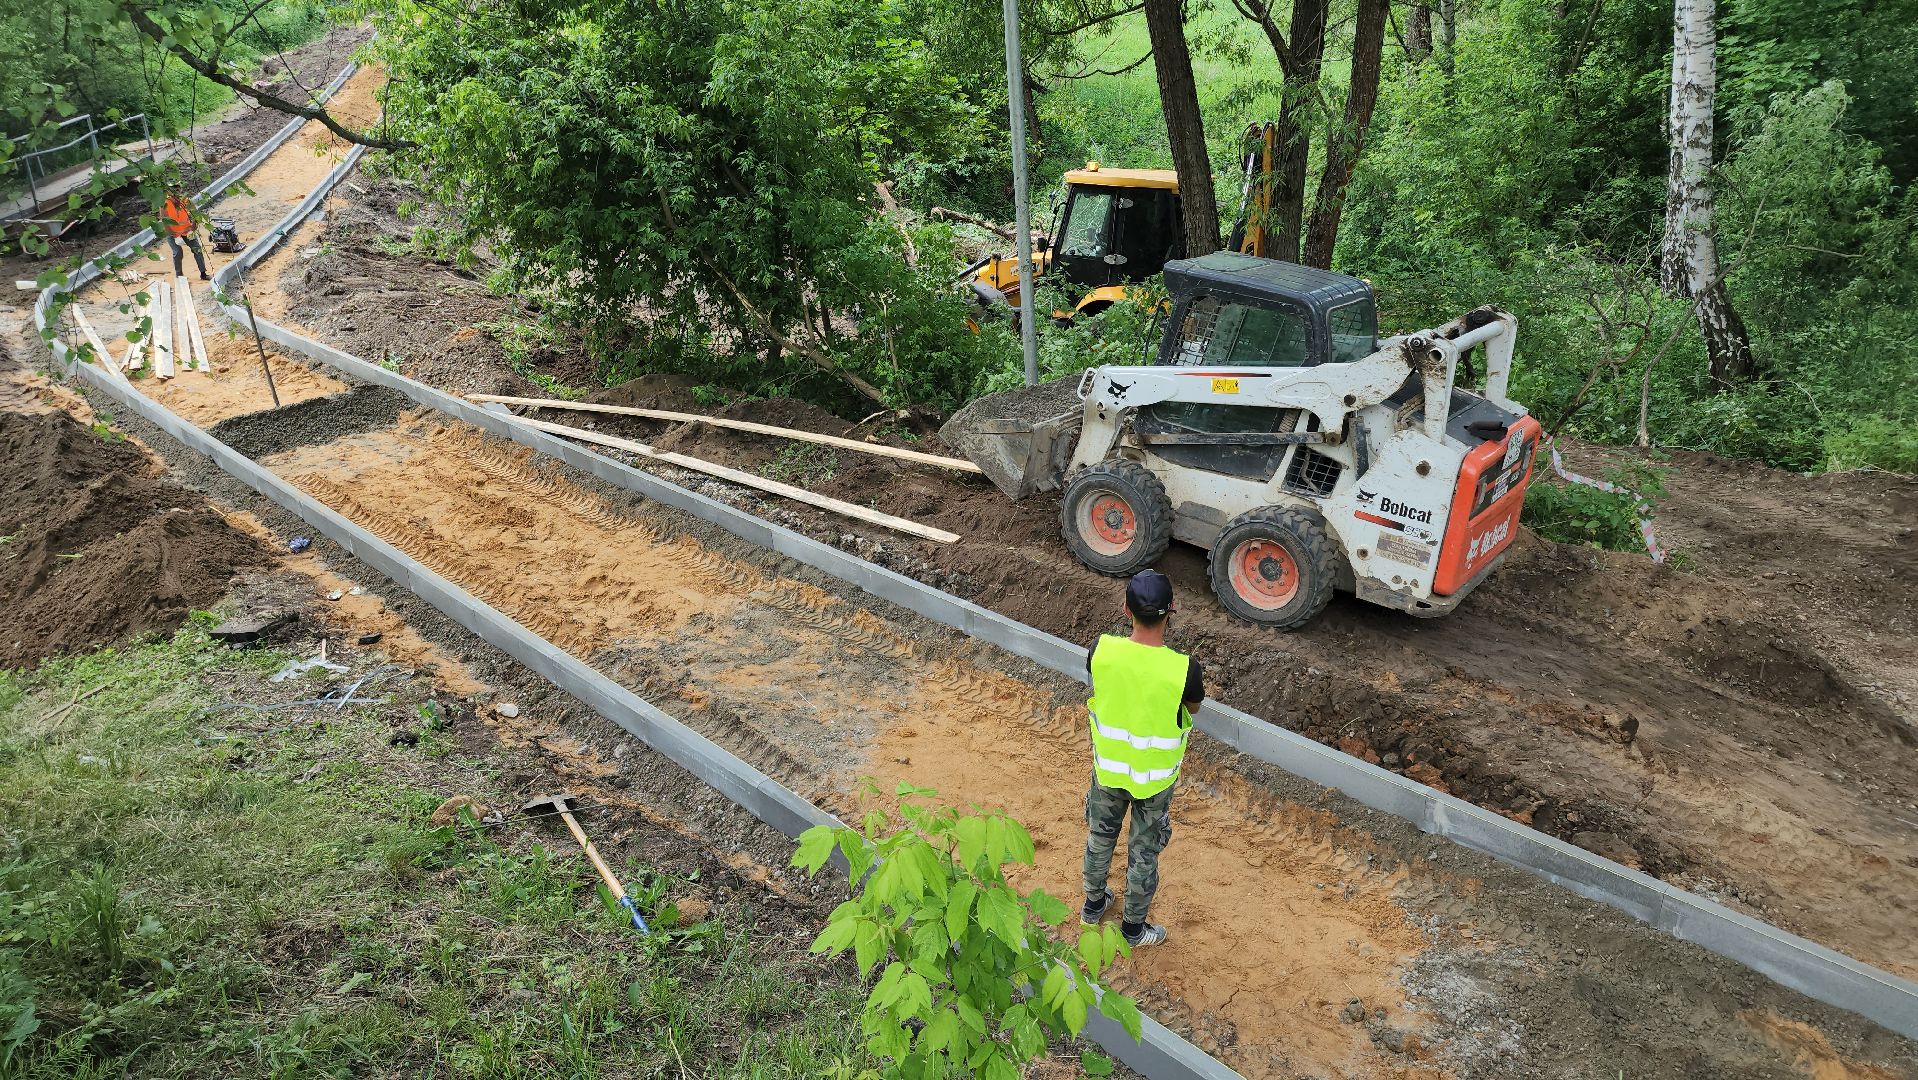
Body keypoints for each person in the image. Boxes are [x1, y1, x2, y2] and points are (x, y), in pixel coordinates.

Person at [1080, 569, 1204, 948]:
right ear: (1171, 612)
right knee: (1143, 853)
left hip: (1109, 770)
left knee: (1100, 837)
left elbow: (1101, 687)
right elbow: (1193, 708)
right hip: (1154, 781)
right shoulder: (1184, 669)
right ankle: (1133, 930)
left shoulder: (1102, 652)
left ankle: (1093, 905)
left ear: (1125, 610)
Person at [161, 187, 209, 280]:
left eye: (178, 189)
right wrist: (175, 236)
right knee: (178, 252)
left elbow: (195, 214)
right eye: (174, 190)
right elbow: (165, 222)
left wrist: (194, 225)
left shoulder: (186, 200)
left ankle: (203, 273)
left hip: (187, 231)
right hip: (172, 233)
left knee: (197, 249)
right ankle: (179, 275)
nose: (177, 192)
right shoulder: (164, 203)